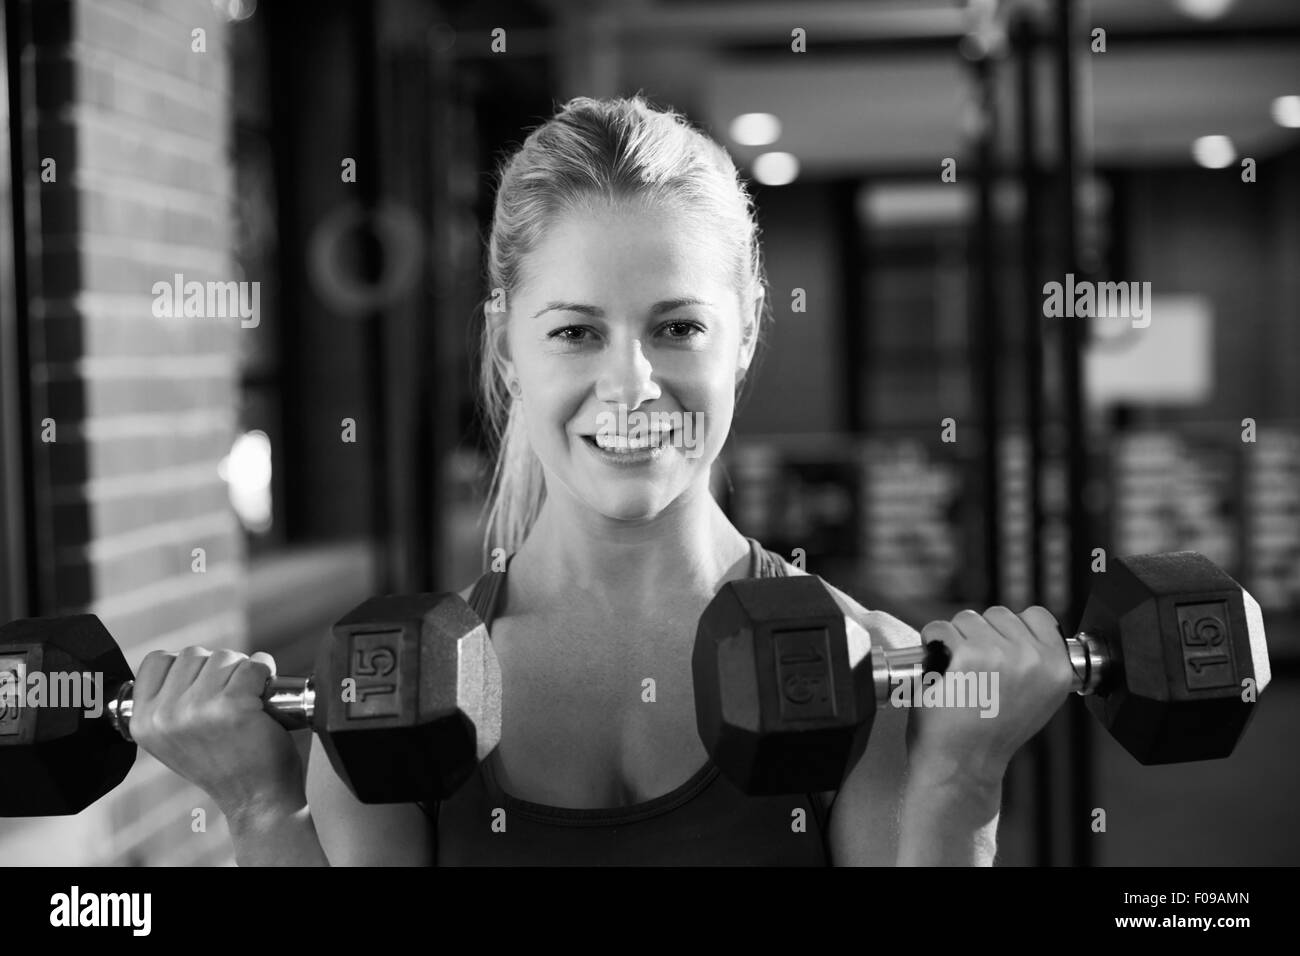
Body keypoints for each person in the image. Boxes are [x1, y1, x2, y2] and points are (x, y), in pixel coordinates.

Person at [128, 96, 1075, 866]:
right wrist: (258, 807)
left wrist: (963, 784)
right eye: (577, 331)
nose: (630, 384)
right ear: (508, 350)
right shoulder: (388, 698)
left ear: (743, 334)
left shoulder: (866, 662)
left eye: (678, 327)